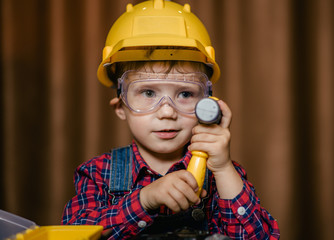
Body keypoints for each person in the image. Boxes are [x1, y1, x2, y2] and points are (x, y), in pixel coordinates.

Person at [62, 0, 280, 239]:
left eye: (185, 94)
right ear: (121, 107)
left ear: (207, 105)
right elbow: (74, 233)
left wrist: (223, 168)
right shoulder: (97, 173)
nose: (167, 111)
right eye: (148, 93)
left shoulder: (222, 175)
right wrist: (145, 199)